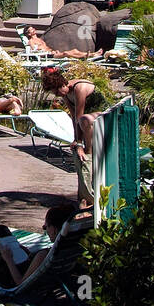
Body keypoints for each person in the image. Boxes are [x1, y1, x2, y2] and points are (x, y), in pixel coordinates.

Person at [40, 67, 105, 208]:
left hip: (103, 115)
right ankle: (84, 197)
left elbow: (80, 116)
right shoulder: (65, 94)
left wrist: (81, 145)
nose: (58, 95)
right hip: (88, 121)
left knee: (84, 122)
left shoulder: (79, 89)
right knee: (78, 149)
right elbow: (73, 117)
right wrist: (76, 140)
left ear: (63, 84)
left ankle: (89, 150)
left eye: (57, 91)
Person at [0, 204, 80, 287]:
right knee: (2, 231)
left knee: (0, 233)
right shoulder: (74, 246)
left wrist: (8, 259)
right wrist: (30, 254)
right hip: (52, 280)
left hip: (18, 281)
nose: (46, 231)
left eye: (45, 227)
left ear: (53, 229)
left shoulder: (44, 254)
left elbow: (20, 283)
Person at [22, 25, 98, 60]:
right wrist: (48, 53)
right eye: (31, 30)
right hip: (46, 57)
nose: (34, 29)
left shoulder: (39, 39)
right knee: (66, 53)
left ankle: (92, 54)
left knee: (74, 50)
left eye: (33, 28)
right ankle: (84, 57)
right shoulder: (31, 41)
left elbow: (46, 47)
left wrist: (53, 51)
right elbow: (34, 51)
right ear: (28, 34)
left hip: (52, 53)